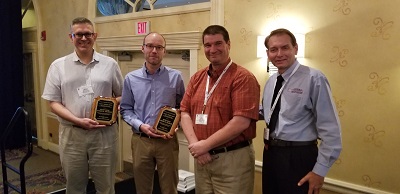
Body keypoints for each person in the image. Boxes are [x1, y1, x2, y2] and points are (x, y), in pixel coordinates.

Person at [41, 17, 123, 194]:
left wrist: (109, 105)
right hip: (72, 135)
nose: (83, 38)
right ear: (71, 37)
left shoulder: (110, 64)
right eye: (79, 34)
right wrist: (78, 121)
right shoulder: (58, 66)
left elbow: (122, 95)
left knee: (106, 187)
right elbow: (53, 102)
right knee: (75, 187)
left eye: (88, 34)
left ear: (95, 36)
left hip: (104, 135)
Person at [180, 25, 260, 194]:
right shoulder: (198, 77)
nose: (212, 49)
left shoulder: (243, 78)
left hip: (232, 159)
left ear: (228, 44)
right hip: (202, 159)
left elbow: (241, 122)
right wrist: (197, 146)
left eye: (218, 43)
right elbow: (184, 111)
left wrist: (204, 146)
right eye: (208, 45)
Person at [260, 28, 342, 194]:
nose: (279, 53)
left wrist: (320, 171)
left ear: (295, 48)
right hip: (271, 154)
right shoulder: (271, 81)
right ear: (268, 53)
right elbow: (267, 112)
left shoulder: (314, 78)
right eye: (274, 49)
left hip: (299, 156)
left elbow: (331, 131)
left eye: (285, 48)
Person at [120, 32, 185, 194]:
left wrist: (176, 125)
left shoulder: (176, 77)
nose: (154, 50)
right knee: (143, 188)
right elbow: (125, 109)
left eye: (159, 47)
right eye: (150, 46)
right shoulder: (130, 78)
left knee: (170, 188)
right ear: (142, 49)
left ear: (165, 51)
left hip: (167, 141)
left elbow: (182, 108)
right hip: (141, 140)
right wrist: (140, 126)